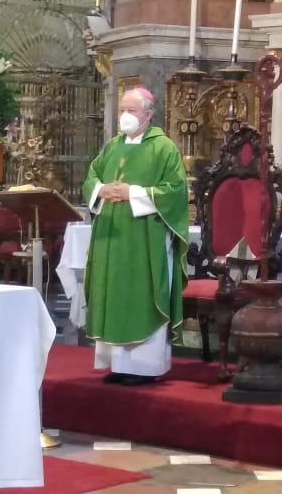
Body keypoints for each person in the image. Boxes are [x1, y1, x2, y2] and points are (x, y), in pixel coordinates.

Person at [81, 87, 189, 385]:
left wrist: (133, 193)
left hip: (145, 237)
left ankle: (144, 368)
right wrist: (101, 190)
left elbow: (176, 191)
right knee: (113, 292)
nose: (125, 116)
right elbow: (91, 177)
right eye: (122, 110)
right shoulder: (113, 146)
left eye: (131, 111)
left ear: (148, 114)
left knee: (140, 292)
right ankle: (118, 364)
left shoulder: (163, 148)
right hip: (112, 235)